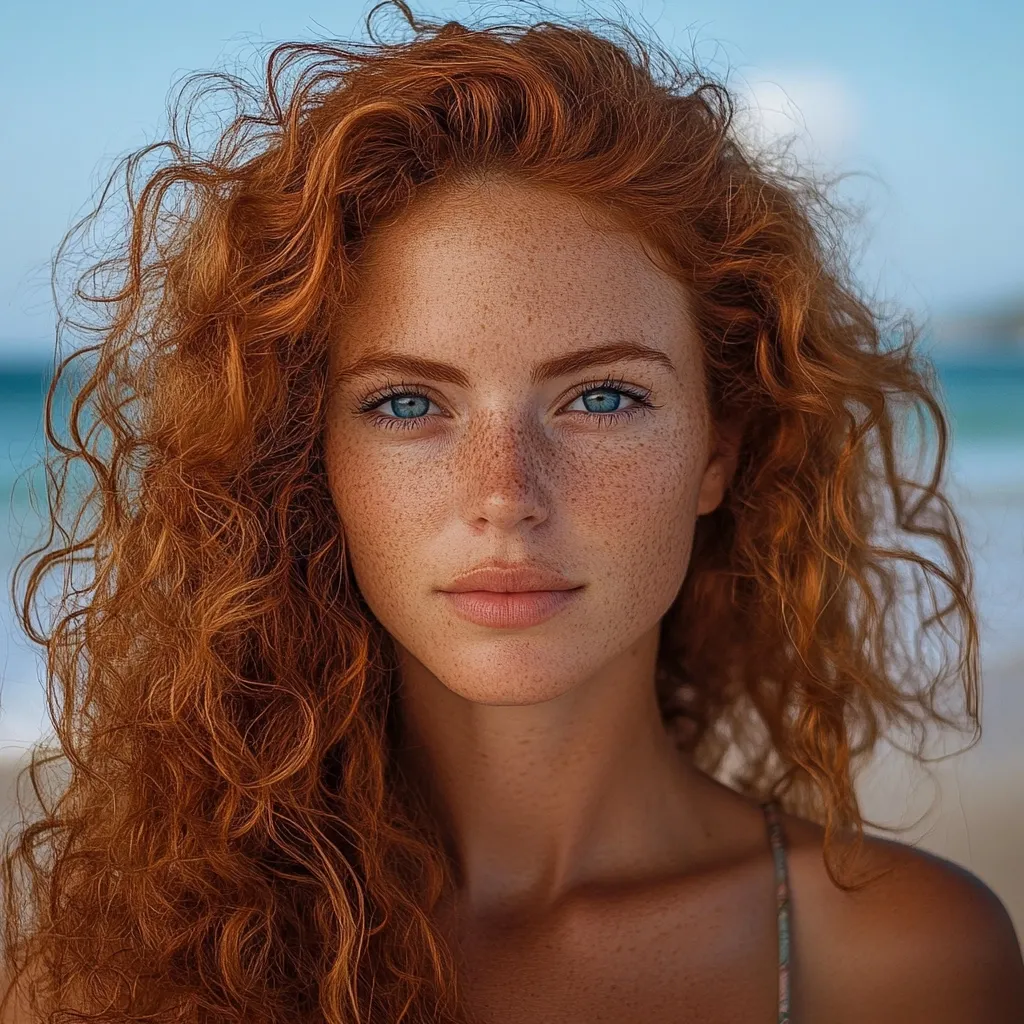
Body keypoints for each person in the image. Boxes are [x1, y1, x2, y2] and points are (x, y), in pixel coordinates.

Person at [2, 2, 1022, 1022]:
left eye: (601, 397)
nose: (504, 496)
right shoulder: (110, 967)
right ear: (306, 456)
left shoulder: (905, 961)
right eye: (407, 403)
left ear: (718, 449)